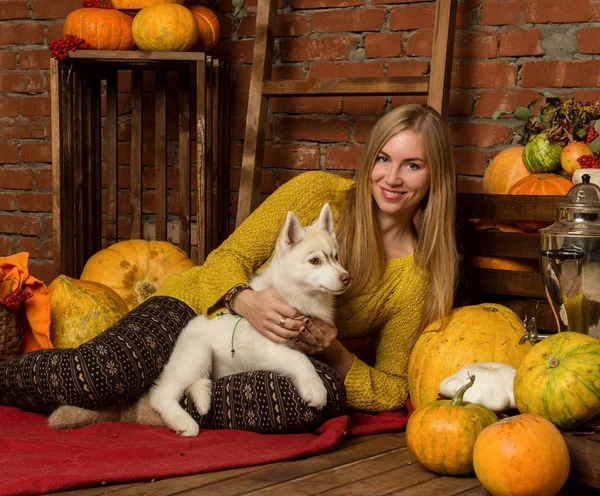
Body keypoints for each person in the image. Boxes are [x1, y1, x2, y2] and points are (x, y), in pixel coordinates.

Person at [0, 104, 458, 432]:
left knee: (312, 401)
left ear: (434, 176)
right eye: (383, 158)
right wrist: (246, 299)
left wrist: (333, 351)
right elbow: (226, 257)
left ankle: (145, 404)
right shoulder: (317, 194)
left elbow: (393, 390)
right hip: (199, 310)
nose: (391, 178)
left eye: (412, 165)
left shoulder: (415, 278)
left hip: (270, 360)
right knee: (98, 373)